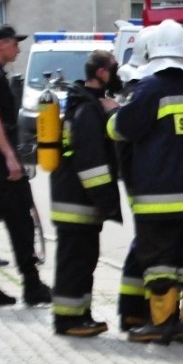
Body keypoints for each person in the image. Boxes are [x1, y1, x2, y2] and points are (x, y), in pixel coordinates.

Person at [107, 19, 183, 344]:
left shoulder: (151, 88)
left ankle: (161, 324)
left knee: (159, 263)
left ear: (151, 52)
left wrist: (112, 114)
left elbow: (122, 129)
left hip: (158, 194)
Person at [0, 25, 51, 307]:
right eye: (14, 43)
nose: (17, 48)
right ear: (1, 44)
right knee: (20, 220)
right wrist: (9, 156)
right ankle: (31, 284)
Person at [50, 50, 122, 337]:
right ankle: (68, 321)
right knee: (75, 263)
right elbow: (92, 164)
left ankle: (81, 315)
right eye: (113, 68)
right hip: (77, 203)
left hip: (76, 200)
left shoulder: (83, 103)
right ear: (102, 72)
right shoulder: (88, 109)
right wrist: (106, 202)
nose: (116, 74)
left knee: (83, 261)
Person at [113, 25, 157, 331]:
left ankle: (131, 311)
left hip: (136, 181)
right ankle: (136, 312)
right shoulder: (141, 94)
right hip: (141, 182)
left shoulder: (133, 93)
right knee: (149, 246)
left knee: (142, 243)